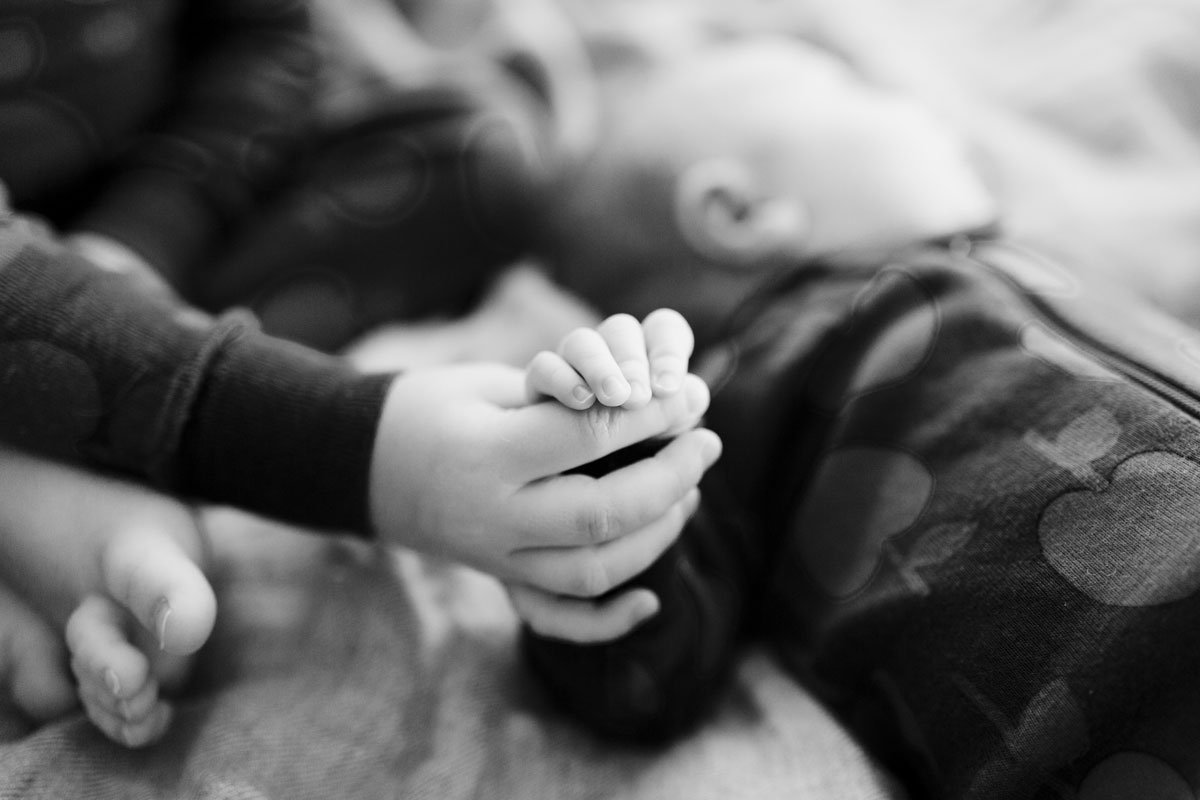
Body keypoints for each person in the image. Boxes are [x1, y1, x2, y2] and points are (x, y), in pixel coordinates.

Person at [518, 33, 1200, 800]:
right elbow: (637, 681)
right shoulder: (739, 392)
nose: (926, 113)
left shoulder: (1056, 258)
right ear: (743, 211)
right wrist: (609, 465)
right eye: (862, 95)